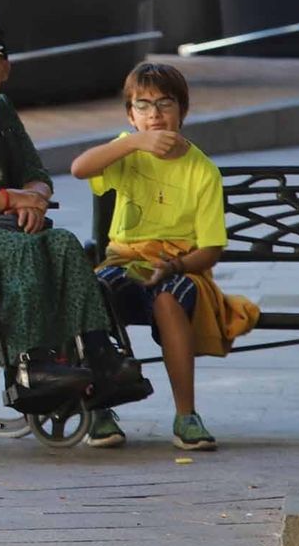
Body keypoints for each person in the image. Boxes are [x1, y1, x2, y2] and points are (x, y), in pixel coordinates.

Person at [0, 19, 150, 411]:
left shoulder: (1, 111)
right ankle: (27, 366)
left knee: (63, 243)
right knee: (22, 250)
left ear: (4, 69)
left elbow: (36, 174)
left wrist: (33, 200)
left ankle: (100, 355)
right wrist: (7, 199)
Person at [71, 62, 257, 451]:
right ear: (131, 115)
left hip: (178, 267)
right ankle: (100, 406)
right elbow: (78, 168)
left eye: (164, 104)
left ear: (181, 111)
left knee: (169, 299)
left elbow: (210, 249)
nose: (154, 114)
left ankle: (186, 415)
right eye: (143, 105)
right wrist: (131, 143)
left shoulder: (201, 170)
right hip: (124, 261)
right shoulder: (126, 151)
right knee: (89, 291)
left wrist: (173, 266)